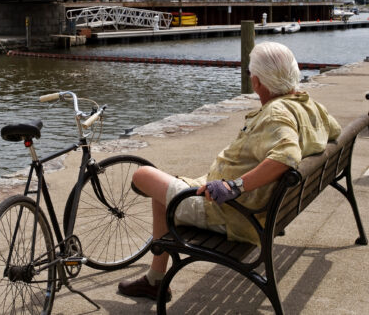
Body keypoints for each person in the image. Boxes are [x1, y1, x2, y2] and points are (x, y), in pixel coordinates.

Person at [117, 41, 341, 301]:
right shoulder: (305, 104)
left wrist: (235, 186)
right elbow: (333, 131)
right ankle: (154, 279)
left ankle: (155, 281)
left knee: (143, 176)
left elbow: (287, 156)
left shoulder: (276, 113)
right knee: (164, 189)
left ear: (256, 82)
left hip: (232, 213)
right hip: (255, 207)